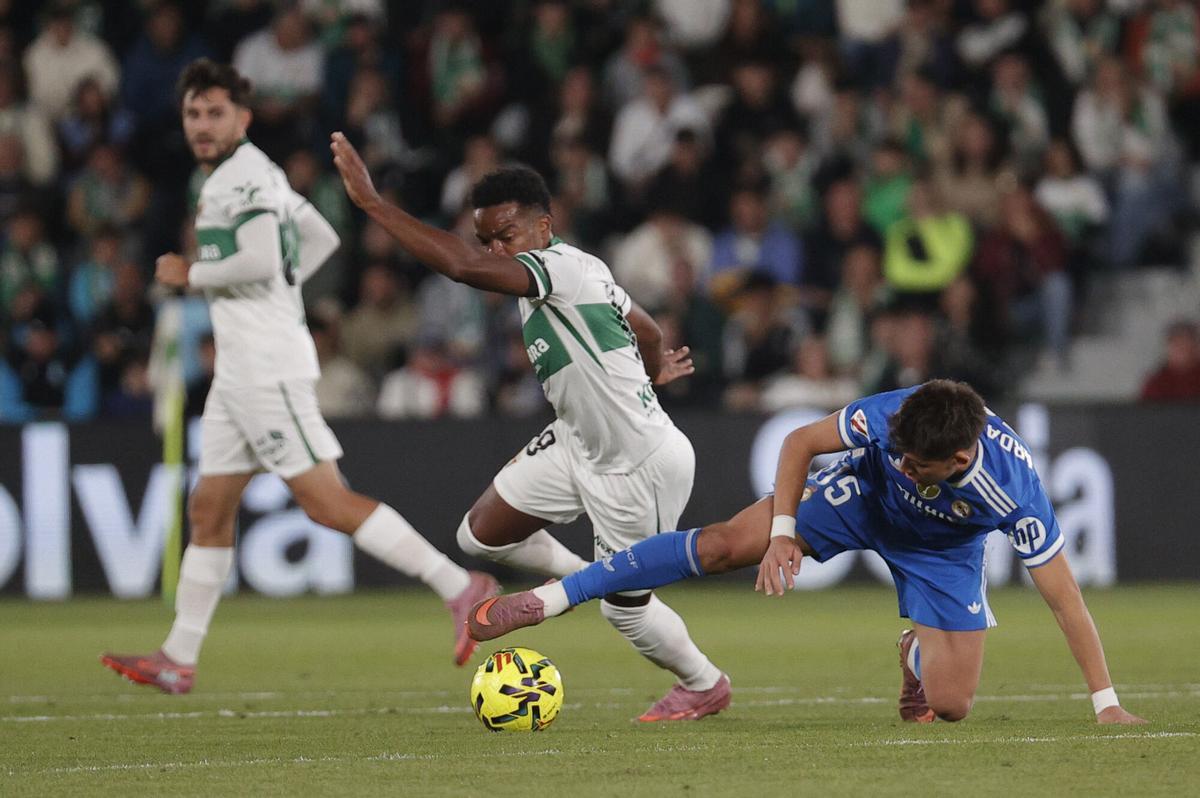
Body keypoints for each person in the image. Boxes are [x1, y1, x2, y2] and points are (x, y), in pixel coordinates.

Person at [99, 59, 497, 695]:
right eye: (193, 114)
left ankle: (461, 586)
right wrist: (278, 291)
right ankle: (178, 655)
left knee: (325, 502)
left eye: (215, 113)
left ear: (243, 117)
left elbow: (259, 258)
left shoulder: (241, 178)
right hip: (239, 371)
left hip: (266, 367)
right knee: (209, 508)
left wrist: (192, 274)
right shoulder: (256, 174)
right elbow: (319, 237)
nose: (202, 125)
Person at [468, 379, 1148, 726]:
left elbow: (1065, 599)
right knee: (728, 543)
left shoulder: (1013, 491)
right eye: (901, 452)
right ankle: (554, 597)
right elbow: (800, 443)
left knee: (952, 707)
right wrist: (784, 532)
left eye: (919, 464)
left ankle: (914, 655)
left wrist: (1106, 702)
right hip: (860, 498)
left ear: (960, 458)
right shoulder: (899, 416)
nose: (906, 463)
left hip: (943, 552)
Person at [330, 136, 732, 723]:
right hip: (578, 443)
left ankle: (704, 683)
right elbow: (646, 328)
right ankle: (588, 577)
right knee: (480, 536)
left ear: (544, 227)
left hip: (636, 463)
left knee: (625, 611)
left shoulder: (557, 269)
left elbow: (462, 267)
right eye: (487, 240)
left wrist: (372, 203)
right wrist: (652, 368)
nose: (495, 250)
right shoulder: (583, 269)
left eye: (506, 236)